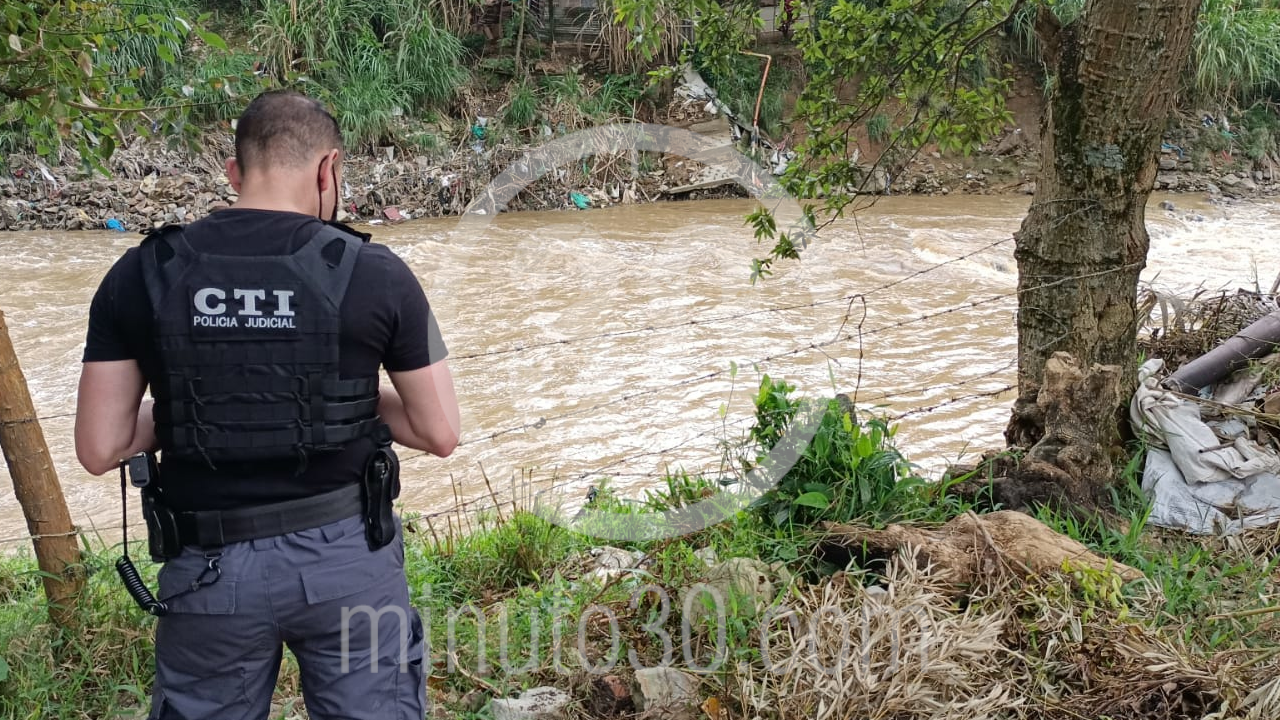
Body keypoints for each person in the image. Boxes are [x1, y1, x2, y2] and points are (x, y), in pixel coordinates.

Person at [73, 89, 460, 720]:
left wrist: (200, 409)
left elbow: (99, 445)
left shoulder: (142, 272)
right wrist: (340, 400)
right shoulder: (375, 272)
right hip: (346, 559)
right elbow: (439, 430)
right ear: (327, 168)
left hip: (208, 570)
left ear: (234, 173)